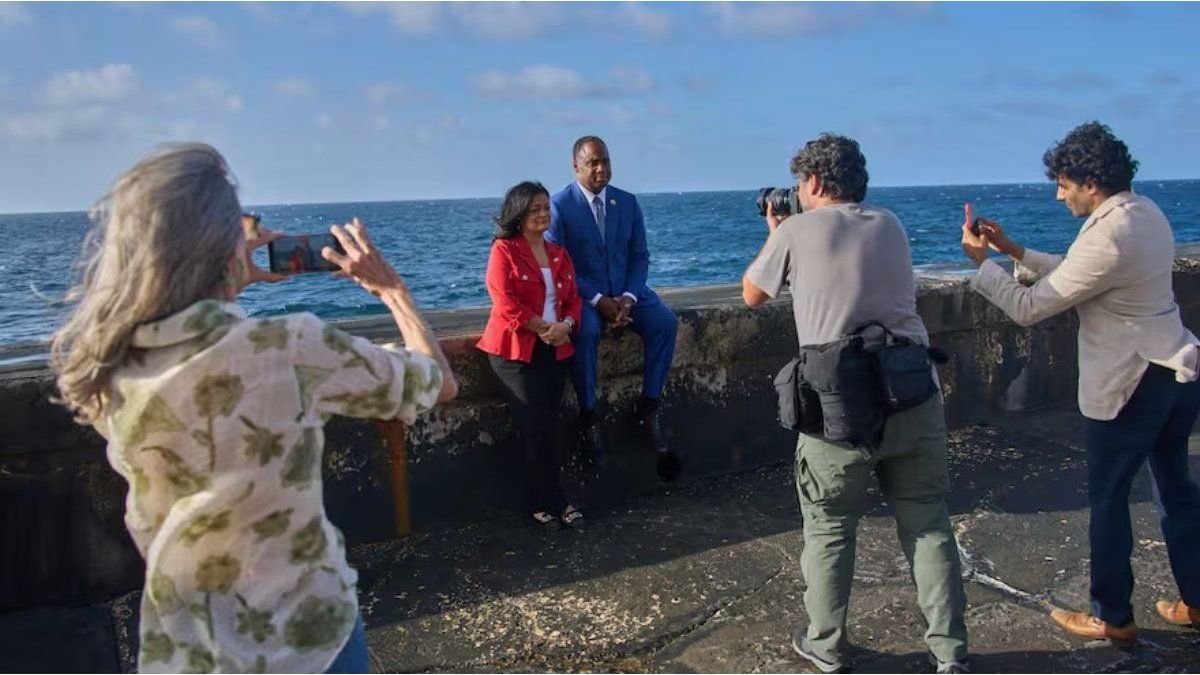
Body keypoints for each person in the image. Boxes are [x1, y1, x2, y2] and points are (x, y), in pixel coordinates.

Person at [49, 143, 458, 673]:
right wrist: (391, 289)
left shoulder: (107, 366)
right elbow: (438, 383)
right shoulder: (286, 348)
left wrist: (225, 278)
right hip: (306, 642)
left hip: (187, 647)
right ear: (225, 245)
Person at [960, 121, 1200, 641]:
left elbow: (1028, 308)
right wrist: (1013, 250)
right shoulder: (1145, 212)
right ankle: (1197, 600)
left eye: (1063, 184)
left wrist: (982, 266)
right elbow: (1079, 270)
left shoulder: (1109, 233)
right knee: (1176, 491)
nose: (1058, 194)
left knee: (1108, 498)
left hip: (1132, 383)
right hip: (1175, 371)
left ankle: (1112, 616)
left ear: (1090, 183)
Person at [742, 133, 969, 674]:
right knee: (928, 524)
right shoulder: (890, 223)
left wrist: (777, 234)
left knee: (829, 528)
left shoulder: (795, 230)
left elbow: (752, 294)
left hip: (837, 405)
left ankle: (825, 645)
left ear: (815, 181)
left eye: (800, 182)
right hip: (911, 390)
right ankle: (949, 653)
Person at [547, 135, 680, 479]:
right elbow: (560, 265)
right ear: (576, 166)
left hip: (627, 291)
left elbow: (640, 256)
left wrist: (629, 297)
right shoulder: (559, 206)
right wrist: (597, 300)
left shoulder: (627, 202)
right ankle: (588, 416)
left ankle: (649, 406)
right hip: (585, 295)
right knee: (586, 332)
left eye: (605, 161)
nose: (601, 169)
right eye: (593, 163)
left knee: (664, 322)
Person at [477, 181, 586, 531]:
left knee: (552, 426)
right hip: (515, 352)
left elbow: (574, 299)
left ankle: (556, 499)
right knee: (535, 426)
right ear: (519, 213)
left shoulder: (558, 253)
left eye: (546, 207)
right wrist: (542, 327)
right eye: (535, 208)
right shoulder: (504, 250)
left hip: (555, 348)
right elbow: (504, 300)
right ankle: (545, 502)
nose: (543, 214)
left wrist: (566, 325)